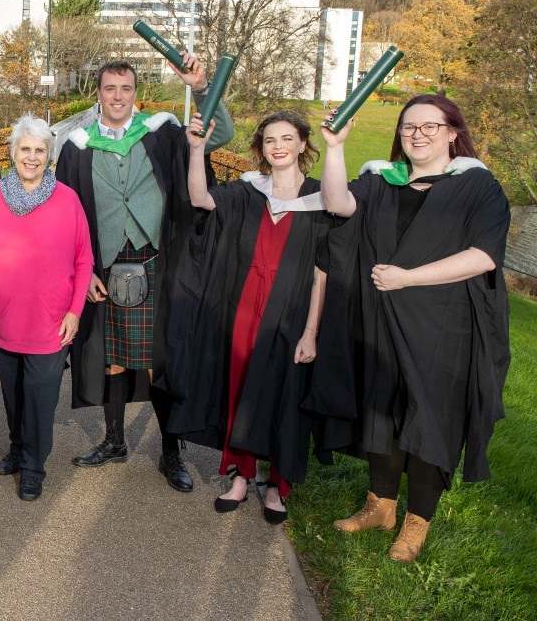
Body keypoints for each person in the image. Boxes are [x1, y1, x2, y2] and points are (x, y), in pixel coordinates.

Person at [310, 95, 510, 562]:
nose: (417, 134)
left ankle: (417, 521)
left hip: (444, 326)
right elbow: (337, 203)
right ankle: (380, 506)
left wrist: (408, 278)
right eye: (408, 127)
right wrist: (335, 147)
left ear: (452, 133)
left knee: (430, 418)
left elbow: (483, 255)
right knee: (382, 409)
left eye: (429, 126)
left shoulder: (477, 185)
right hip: (382, 318)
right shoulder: (382, 179)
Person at [55, 55, 233, 493]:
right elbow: (66, 218)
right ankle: (114, 440)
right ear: (98, 94)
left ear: (136, 93)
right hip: (105, 267)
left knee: (159, 360)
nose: (118, 96)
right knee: (111, 357)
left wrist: (202, 88)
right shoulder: (77, 146)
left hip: (158, 264)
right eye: (110, 89)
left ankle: (171, 451)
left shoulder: (163, 134)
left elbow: (220, 135)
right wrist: (83, 273)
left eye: (126, 88)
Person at [166, 111, 331, 523]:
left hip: (291, 313)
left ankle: (277, 485)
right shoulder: (249, 192)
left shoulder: (319, 198)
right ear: (261, 148)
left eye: (287, 138)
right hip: (242, 309)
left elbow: (322, 272)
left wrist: (311, 331)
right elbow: (201, 198)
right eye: (270, 140)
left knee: (283, 394)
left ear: (303, 145)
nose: (278, 146)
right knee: (239, 390)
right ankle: (241, 475)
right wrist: (197, 149)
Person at [0, 115, 92, 501]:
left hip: (50, 322)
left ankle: (34, 467)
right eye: (25, 149)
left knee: (39, 398)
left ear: (49, 156)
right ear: (13, 152)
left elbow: (84, 258)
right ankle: (18, 449)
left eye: (39, 150)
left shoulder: (67, 199)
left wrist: (74, 312)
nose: (31, 157)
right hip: (0, 319)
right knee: (13, 393)